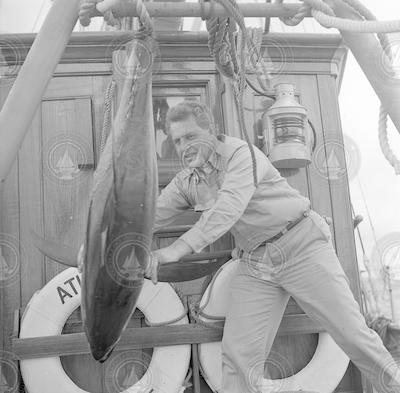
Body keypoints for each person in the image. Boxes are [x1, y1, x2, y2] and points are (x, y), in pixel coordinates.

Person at [147, 100, 400, 393]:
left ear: (211, 131)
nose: (184, 146)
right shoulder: (186, 182)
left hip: (301, 245)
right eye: (177, 141)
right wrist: (104, 242)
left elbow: (227, 209)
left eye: (191, 136)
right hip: (256, 263)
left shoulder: (242, 155)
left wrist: (174, 250)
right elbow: (150, 215)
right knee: (237, 357)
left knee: (353, 335)